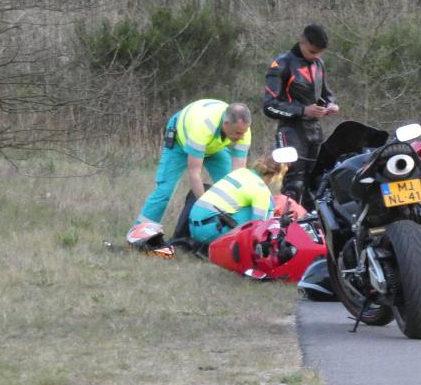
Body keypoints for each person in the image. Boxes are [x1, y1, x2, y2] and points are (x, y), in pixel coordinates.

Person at [128, 99, 252, 240]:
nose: (241, 137)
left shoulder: (243, 130)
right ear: (226, 124)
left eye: (244, 132)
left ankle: (232, 235)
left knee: (231, 188)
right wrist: (206, 210)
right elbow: (194, 173)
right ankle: (139, 235)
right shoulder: (203, 127)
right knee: (165, 190)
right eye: (237, 133)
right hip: (180, 143)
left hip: (214, 147)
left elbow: (238, 176)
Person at [263, 24, 340, 208]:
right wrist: (303, 110)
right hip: (291, 131)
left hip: (314, 130)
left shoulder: (318, 64)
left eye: (319, 53)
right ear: (303, 42)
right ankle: (287, 230)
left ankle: (314, 231)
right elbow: (269, 106)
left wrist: (331, 104)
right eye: (313, 51)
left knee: (318, 183)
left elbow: (325, 92)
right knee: (294, 183)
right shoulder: (282, 63)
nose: (316, 56)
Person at [188, 152, 285, 244]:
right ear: (275, 176)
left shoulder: (241, 172)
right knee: (268, 209)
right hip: (210, 232)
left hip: (192, 227)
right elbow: (257, 228)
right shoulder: (261, 191)